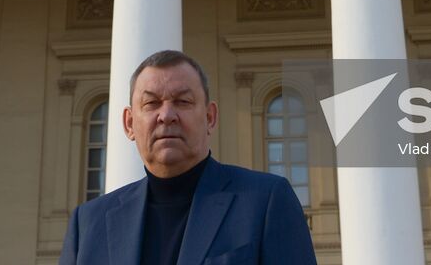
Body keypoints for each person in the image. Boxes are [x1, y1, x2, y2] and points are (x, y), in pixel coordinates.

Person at [59, 49, 317, 265]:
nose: (167, 115)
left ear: (210, 117)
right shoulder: (88, 224)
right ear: (129, 124)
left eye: (183, 101)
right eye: (151, 103)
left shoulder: (266, 201)